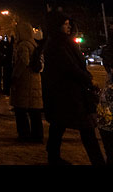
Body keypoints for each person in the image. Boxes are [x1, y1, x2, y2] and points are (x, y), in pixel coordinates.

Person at [41, 10, 106, 165]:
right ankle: (97, 162)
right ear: (56, 26)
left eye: (69, 24)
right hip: (69, 94)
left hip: (67, 94)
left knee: (59, 125)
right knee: (86, 128)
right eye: (65, 24)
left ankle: (53, 156)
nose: (68, 26)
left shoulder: (62, 42)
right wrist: (89, 79)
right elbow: (70, 67)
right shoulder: (58, 45)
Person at [9, 21, 44, 143]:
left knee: (21, 109)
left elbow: (23, 61)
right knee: (34, 111)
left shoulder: (23, 45)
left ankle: (24, 134)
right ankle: (37, 135)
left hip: (24, 81)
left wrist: (15, 75)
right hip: (34, 80)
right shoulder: (33, 44)